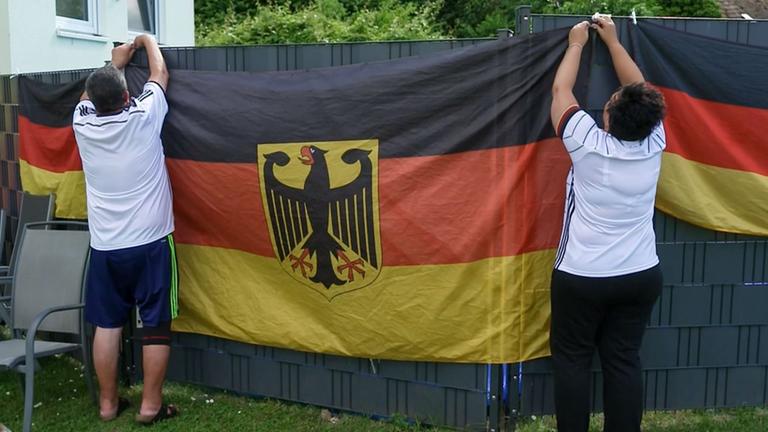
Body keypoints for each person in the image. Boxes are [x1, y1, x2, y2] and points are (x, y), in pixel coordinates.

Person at [549, 16, 667, 432]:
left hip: (582, 276)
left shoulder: (587, 142)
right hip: (639, 275)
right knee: (622, 361)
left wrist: (577, 44)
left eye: (612, 101)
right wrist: (615, 41)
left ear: (610, 119)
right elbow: (644, 92)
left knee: (572, 361)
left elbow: (561, 91)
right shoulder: (655, 141)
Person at [73, 34, 179, 425]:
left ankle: (107, 405)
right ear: (125, 97)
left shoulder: (82, 124)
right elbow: (160, 73)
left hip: (106, 246)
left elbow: (89, 95)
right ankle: (150, 407)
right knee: (155, 324)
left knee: (107, 323)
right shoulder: (145, 116)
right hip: (152, 242)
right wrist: (145, 39)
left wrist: (113, 62)